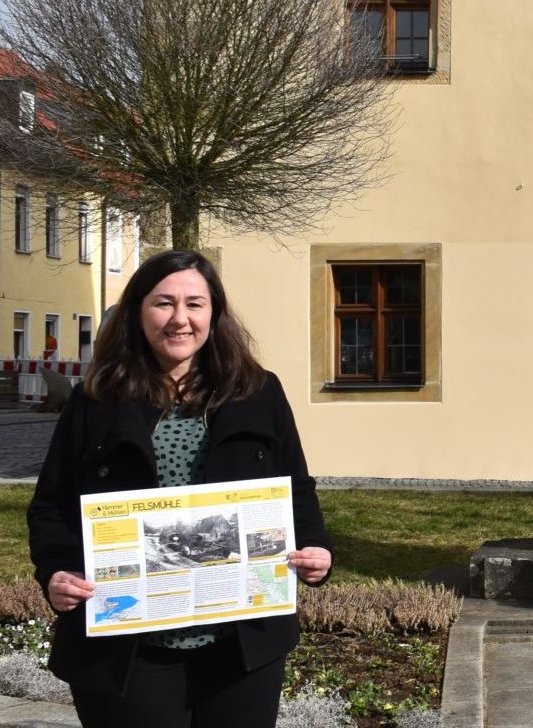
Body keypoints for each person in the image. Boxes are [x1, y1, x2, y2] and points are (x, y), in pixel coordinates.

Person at [27, 250, 333, 728]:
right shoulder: (97, 400)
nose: (179, 319)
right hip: (130, 643)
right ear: (137, 312)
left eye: (195, 303)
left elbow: (296, 487)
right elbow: (51, 505)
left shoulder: (258, 391)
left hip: (240, 641)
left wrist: (316, 547)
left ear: (214, 313)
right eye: (163, 303)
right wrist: (57, 572)